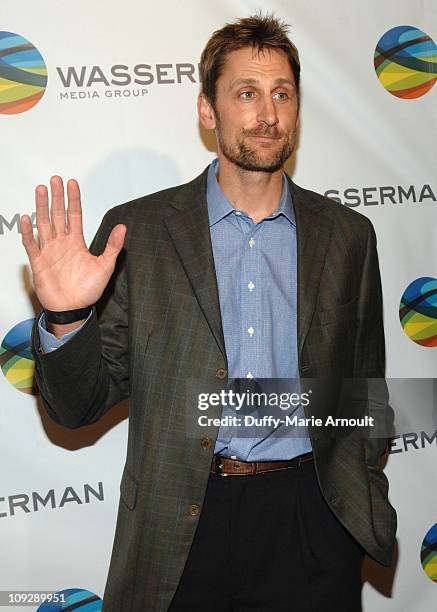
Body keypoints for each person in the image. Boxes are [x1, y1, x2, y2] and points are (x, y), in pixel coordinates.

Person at [21, 14, 396, 612]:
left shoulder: (349, 235)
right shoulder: (139, 232)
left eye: (282, 94)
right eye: (245, 94)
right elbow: (76, 406)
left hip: (312, 521)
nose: (267, 114)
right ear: (207, 110)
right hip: (183, 526)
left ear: (297, 109)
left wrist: (355, 492)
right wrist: (67, 319)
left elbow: (363, 395)